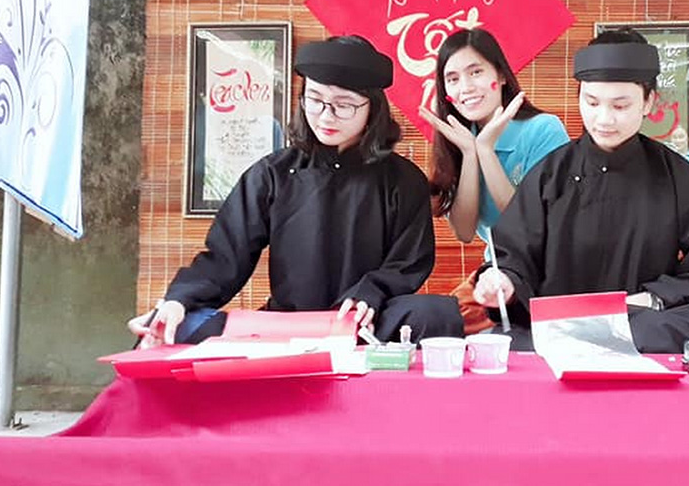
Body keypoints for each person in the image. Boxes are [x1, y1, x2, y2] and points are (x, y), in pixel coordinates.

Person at [129, 35, 463, 347]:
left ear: (373, 109)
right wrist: (178, 300)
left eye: (343, 105)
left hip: (363, 323)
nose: (325, 116)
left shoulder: (403, 180)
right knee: (174, 327)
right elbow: (224, 257)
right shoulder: (273, 174)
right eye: (315, 100)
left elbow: (407, 263)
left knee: (433, 314)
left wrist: (370, 294)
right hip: (287, 327)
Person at [474, 28, 689, 353]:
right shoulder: (551, 174)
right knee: (497, 341)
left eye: (620, 106)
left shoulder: (674, 175)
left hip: (641, 320)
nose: (604, 119)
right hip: (560, 324)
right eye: (592, 102)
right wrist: (504, 282)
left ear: (649, 101)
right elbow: (512, 256)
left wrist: (654, 298)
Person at [420, 28, 569, 334]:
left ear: (500, 75)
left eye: (476, 72)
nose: (466, 87)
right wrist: (471, 153)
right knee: (435, 325)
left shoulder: (543, 129)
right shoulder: (460, 140)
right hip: (497, 274)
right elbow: (463, 231)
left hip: (551, 274)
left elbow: (530, 222)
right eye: (453, 79)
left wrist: (486, 150)